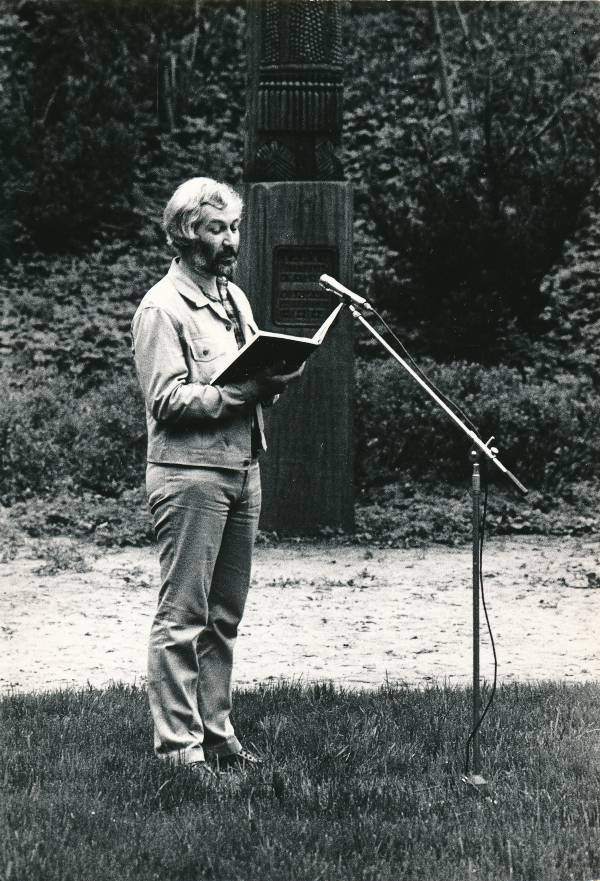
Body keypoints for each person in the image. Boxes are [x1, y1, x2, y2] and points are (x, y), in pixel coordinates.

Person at [131, 177, 303, 774]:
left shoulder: (234, 298)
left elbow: (242, 374)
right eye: (216, 229)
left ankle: (217, 735)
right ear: (185, 235)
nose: (230, 241)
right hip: (189, 477)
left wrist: (272, 378)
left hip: (241, 468)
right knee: (183, 617)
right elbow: (168, 402)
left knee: (224, 617)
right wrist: (242, 392)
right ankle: (179, 752)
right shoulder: (162, 307)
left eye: (233, 228)